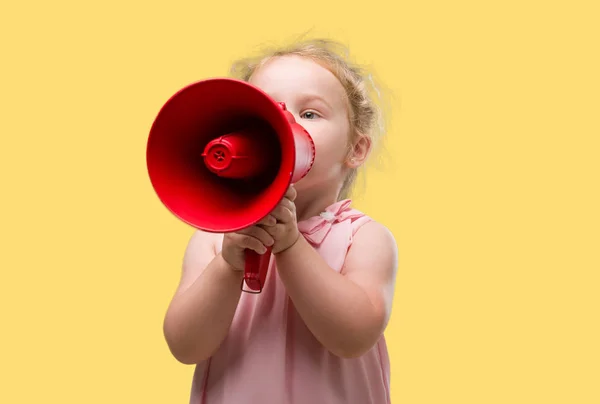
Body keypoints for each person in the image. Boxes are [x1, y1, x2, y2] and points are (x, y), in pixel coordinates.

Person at [162, 38, 399, 404]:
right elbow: (185, 345)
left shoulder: (363, 239)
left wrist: (289, 246)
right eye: (268, 111)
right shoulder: (215, 240)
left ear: (356, 148)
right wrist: (228, 265)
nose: (284, 123)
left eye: (309, 114)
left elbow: (353, 336)